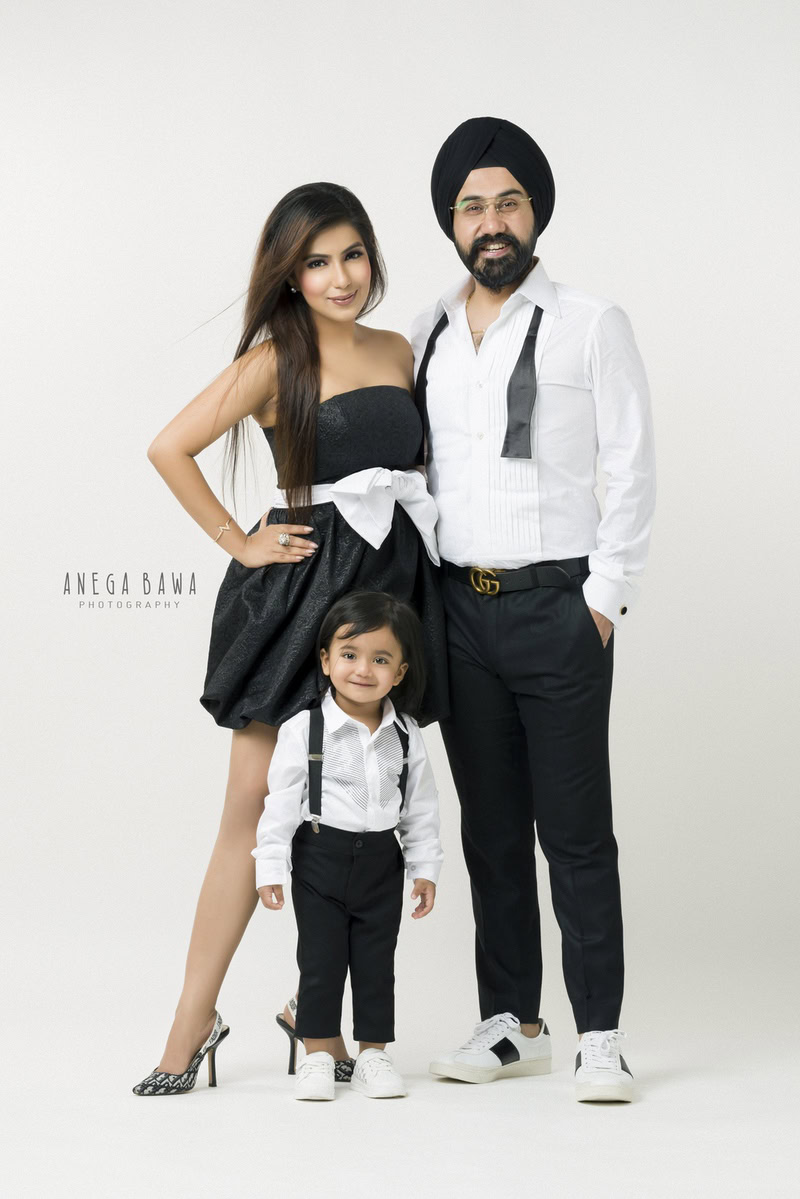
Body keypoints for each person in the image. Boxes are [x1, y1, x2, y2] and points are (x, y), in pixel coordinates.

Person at [133, 182, 448, 1097]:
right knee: (248, 804)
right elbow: (169, 446)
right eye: (317, 261)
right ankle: (191, 1024)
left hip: (385, 589)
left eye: (352, 254)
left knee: (362, 797)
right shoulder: (278, 357)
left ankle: (314, 1016)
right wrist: (241, 540)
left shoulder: (398, 349)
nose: (340, 275)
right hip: (300, 586)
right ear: (290, 274)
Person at [411, 117, 655, 1102]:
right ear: (451, 223)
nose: (490, 220)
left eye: (507, 200)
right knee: (490, 829)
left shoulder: (591, 322)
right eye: (471, 205)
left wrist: (602, 598)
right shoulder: (430, 326)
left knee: (575, 830)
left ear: (534, 211)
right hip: (458, 614)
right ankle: (514, 1022)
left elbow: (629, 462)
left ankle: (599, 1031)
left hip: (557, 607)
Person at [253, 591, 442, 1101]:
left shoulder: (406, 735)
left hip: (383, 860)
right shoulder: (302, 729)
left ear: (400, 673)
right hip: (320, 859)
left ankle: (373, 1054)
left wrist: (425, 869)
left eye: (381, 659)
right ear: (326, 660)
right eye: (350, 655)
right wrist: (269, 866)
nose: (363, 669)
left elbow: (420, 808)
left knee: (377, 962)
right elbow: (280, 805)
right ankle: (316, 1053)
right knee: (321, 960)